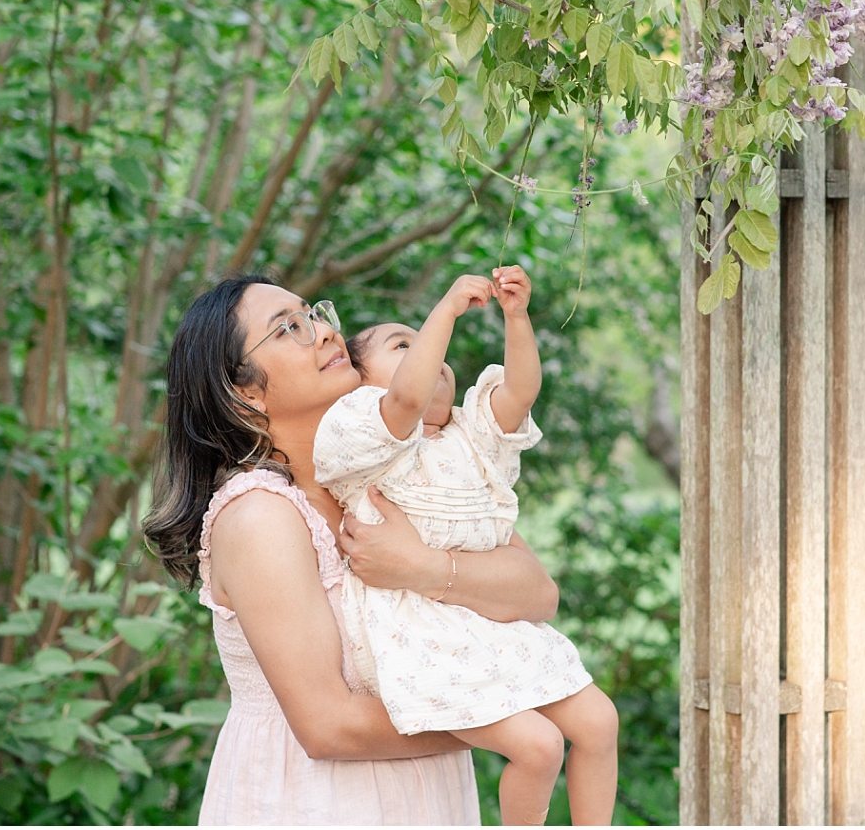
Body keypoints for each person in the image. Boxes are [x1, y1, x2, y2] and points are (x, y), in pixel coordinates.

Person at [142, 275, 563, 825]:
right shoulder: (261, 515)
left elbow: (538, 593)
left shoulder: (403, 470)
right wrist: (504, 715)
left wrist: (424, 567)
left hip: (424, 799)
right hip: (316, 803)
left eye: (312, 316)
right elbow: (328, 725)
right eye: (288, 329)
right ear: (243, 392)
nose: (321, 334)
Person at [320, 266, 618, 826]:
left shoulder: (469, 432)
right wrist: (448, 308)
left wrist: (516, 317)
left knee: (599, 723)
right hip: (417, 627)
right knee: (539, 747)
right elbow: (405, 396)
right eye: (402, 343)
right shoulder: (362, 434)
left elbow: (520, 391)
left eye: (427, 340)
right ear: (361, 385)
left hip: (485, 617)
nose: (430, 353)